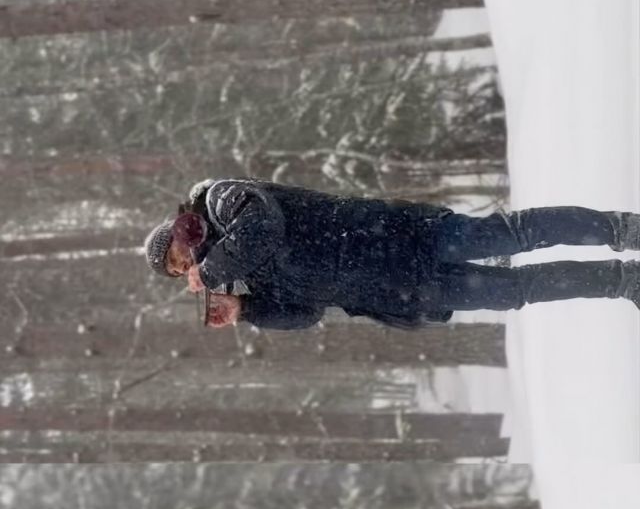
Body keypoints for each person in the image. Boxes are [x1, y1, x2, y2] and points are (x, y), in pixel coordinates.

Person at [144, 178, 640, 330]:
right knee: (519, 292)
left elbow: (264, 225)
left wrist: (212, 269)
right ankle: (624, 281)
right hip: (402, 289)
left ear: (182, 229)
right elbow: (306, 313)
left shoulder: (220, 200)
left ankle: (621, 229)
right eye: (179, 272)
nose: (186, 267)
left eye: (178, 257)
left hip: (404, 236)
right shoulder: (247, 276)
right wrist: (246, 308)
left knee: (513, 234)